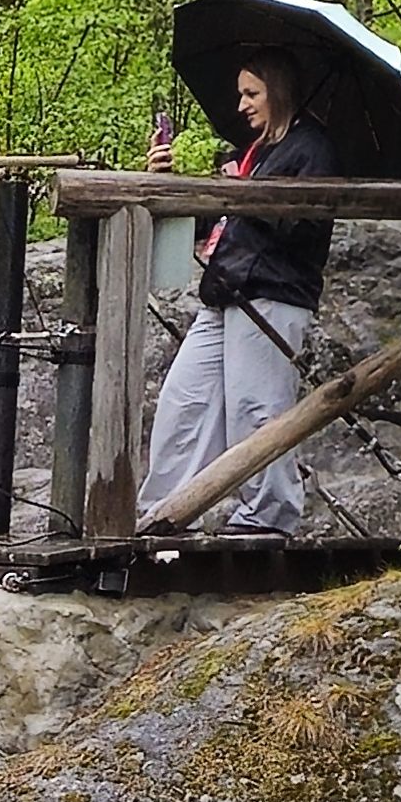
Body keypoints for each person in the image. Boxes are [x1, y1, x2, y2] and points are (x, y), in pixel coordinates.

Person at [145, 55, 332, 532]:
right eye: (242, 94)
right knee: (183, 402)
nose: (242, 104)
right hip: (226, 289)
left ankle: (270, 515)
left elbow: (306, 227)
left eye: (252, 93)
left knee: (259, 408)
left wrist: (247, 195)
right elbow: (215, 224)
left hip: (273, 293)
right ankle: (165, 512)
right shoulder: (255, 151)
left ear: (279, 90)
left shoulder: (311, 148)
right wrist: (164, 180)